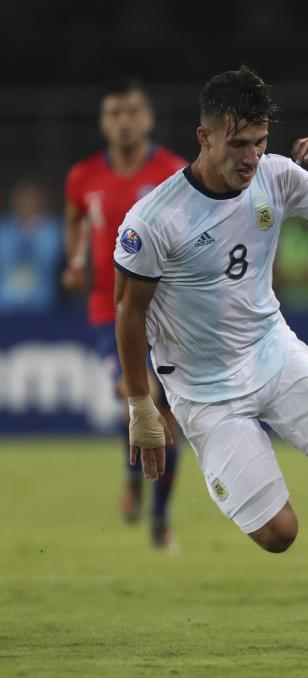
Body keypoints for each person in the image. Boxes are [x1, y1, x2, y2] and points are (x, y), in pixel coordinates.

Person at [112, 67, 308, 644]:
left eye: (260, 142)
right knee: (279, 535)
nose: (252, 157)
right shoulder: (154, 220)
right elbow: (128, 313)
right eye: (239, 144)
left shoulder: (277, 177)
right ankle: (229, 467)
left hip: (273, 352)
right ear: (204, 137)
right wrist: (142, 407)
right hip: (205, 390)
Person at [63, 80, 186, 549]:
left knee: (165, 411)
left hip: (166, 308)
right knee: (144, 396)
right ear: (103, 123)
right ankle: (141, 490)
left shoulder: (173, 171)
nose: (124, 121)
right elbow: (74, 217)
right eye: (114, 113)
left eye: (132, 112)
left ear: (148, 119)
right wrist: (76, 261)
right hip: (108, 309)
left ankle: (157, 516)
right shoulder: (83, 177)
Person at [0, 181, 61, 312]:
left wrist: (33, 231)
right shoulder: (4, 228)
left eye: (32, 200)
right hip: (7, 300)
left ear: (41, 203)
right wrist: (21, 233)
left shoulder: (51, 229)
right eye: (23, 200)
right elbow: (5, 257)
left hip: (41, 299)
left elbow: (48, 259)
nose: (27, 205)